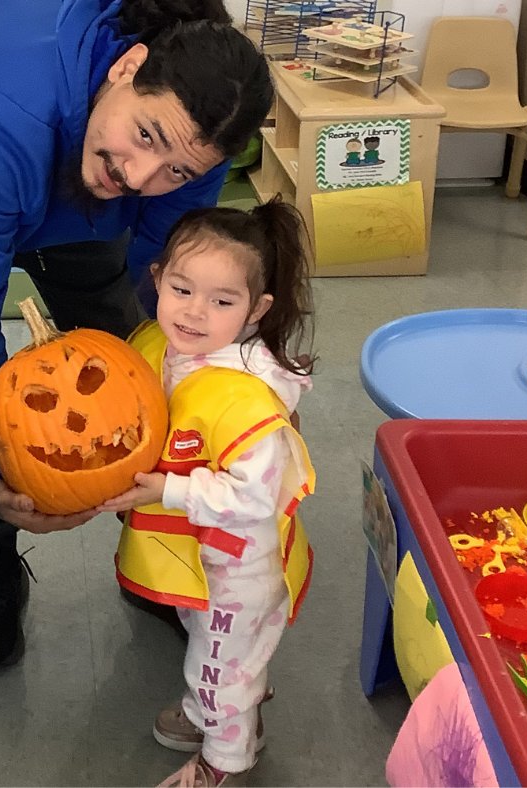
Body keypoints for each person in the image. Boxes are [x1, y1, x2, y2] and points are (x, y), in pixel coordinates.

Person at [0, 0, 274, 672]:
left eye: (176, 170)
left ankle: (158, 544)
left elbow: (161, 278)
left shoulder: (188, 140)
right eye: (146, 137)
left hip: (62, 143)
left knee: (124, 340)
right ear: (127, 65)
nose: (140, 180)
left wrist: (212, 378)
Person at [100, 196, 317, 787]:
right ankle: (219, 708)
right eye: (182, 289)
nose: (195, 313)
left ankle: (223, 761)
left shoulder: (246, 398)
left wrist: (168, 489)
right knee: (214, 652)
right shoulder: (163, 346)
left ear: (256, 310)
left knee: (219, 665)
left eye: (222, 301)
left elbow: (253, 499)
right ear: (158, 279)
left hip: (239, 567)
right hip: (200, 557)